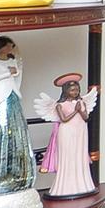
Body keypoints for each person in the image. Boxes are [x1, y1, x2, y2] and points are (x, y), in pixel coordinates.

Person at [0, 38, 40, 208]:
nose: (10, 48)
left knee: (15, 132)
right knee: (2, 132)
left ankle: (17, 174)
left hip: (12, 98)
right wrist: (7, 74)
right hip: (0, 99)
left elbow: (17, 75)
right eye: (7, 45)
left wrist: (13, 72)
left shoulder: (12, 60)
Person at [36, 73, 96, 201]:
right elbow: (63, 119)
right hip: (67, 132)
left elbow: (86, 118)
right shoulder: (60, 105)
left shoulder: (81, 102)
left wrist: (80, 110)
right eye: (72, 90)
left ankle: (82, 183)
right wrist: (75, 110)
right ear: (66, 91)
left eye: (77, 90)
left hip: (81, 132)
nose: (75, 92)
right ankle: (65, 186)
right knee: (68, 157)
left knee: (78, 155)